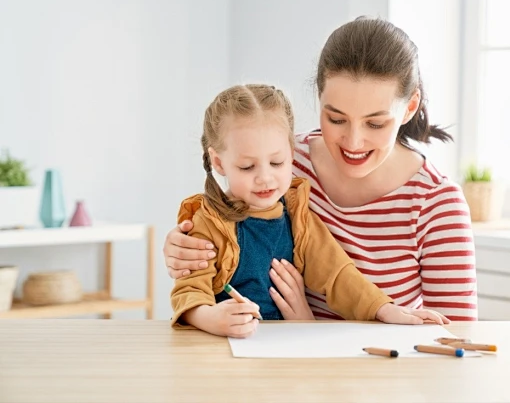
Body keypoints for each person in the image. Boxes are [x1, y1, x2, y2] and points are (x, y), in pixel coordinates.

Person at [165, 17, 477, 322]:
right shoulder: (284, 163)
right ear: (319, 99)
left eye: (375, 123)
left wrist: (307, 327)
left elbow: (452, 349)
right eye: (337, 119)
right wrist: (184, 249)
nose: (353, 142)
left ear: (409, 107)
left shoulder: (436, 204)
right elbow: (220, 231)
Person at [170, 83, 448, 338]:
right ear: (218, 162)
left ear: (291, 152)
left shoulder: (298, 216)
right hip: (222, 354)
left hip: (284, 352)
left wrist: (384, 309)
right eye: (247, 167)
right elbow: (189, 290)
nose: (265, 178)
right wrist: (210, 318)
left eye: (277, 163)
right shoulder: (207, 221)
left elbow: (338, 274)